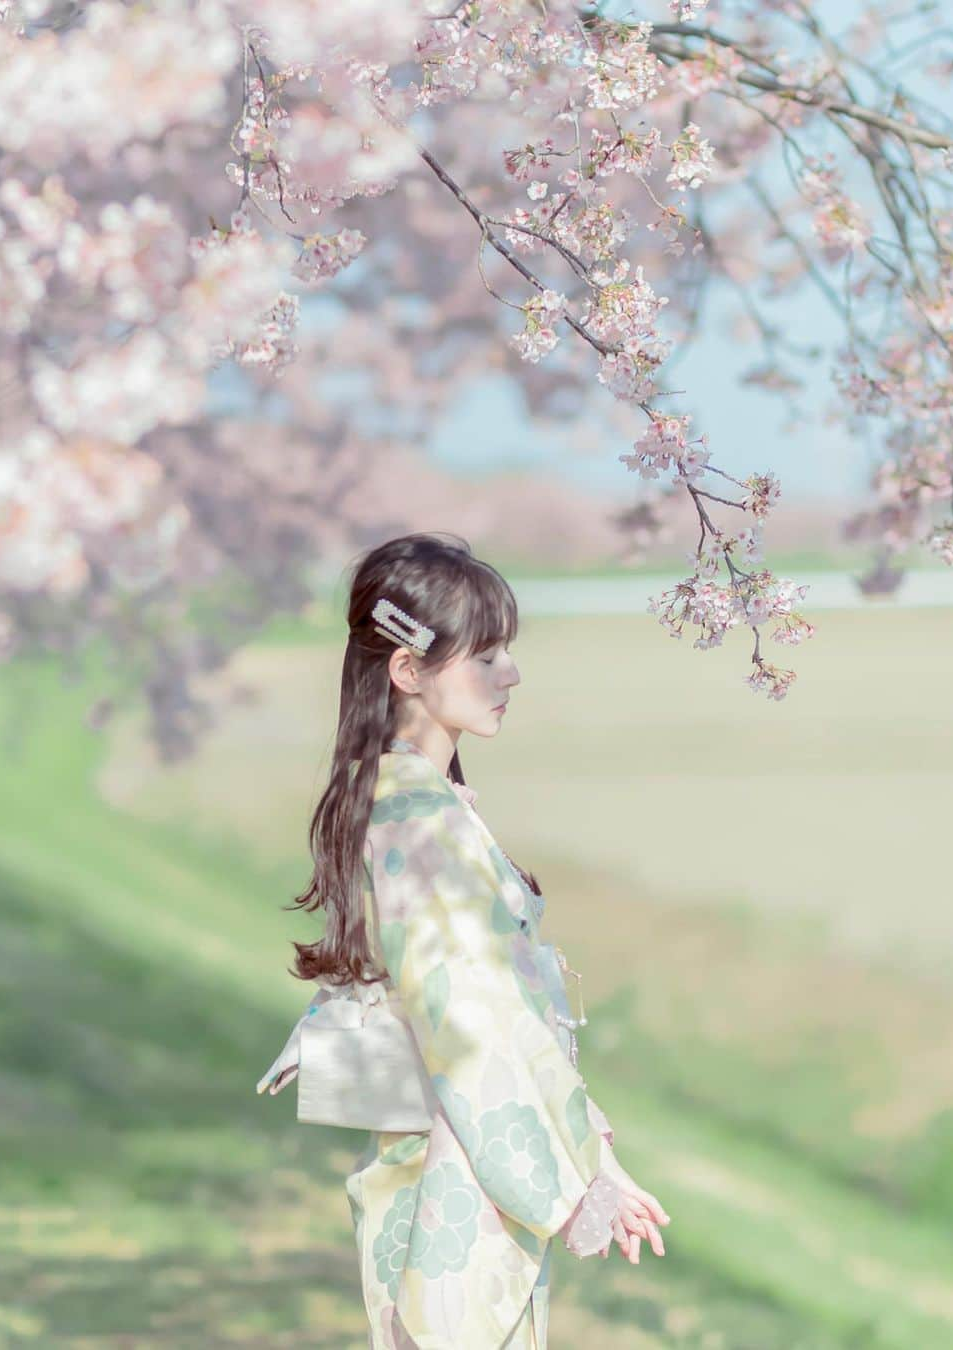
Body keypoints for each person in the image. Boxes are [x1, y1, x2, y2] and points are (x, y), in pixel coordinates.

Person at [284, 532, 670, 1348]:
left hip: (462, 1162)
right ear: (408, 671)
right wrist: (569, 1183)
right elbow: (473, 1020)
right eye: (486, 656)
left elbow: (504, 1010)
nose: (511, 675)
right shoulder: (417, 819)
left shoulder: (421, 805)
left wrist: (594, 1161)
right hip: (454, 1182)